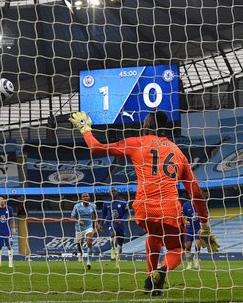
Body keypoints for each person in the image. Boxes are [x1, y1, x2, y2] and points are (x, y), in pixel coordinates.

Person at [69, 110, 219, 296]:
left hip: (144, 208)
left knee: (153, 238)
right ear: (167, 130)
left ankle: (151, 280)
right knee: (175, 248)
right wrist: (204, 224)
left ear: (145, 126)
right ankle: (161, 271)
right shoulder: (179, 153)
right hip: (169, 209)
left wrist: (85, 128)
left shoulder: (137, 143)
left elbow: (96, 148)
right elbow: (195, 192)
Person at [100, 187, 129, 267]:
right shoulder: (106, 203)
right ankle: (112, 249)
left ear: (117, 192)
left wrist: (121, 220)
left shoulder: (122, 202)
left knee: (120, 242)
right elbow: (103, 214)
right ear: (110, 193)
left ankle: (118, 253)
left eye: (114, 191)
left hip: (120, 224)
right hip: (111, 222)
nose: (113, 192)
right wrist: (101, 223)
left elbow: (127, 214)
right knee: (112, 234)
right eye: (111, 191)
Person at [70, 193, 99, 270]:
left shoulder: (93, 206)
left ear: (89, 197)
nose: (85, 198)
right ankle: (81, 252)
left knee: (89, 241)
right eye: (83, 196)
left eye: (87, 196)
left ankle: (88, 262)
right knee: (79, 245)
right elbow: (72, 217)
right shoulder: (77, 206)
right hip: (79, 228)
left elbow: (95, 216)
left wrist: (96, 223)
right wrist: (77, 221)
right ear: (81, 198)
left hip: (88, 227)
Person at [0, 196, 16, 268]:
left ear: (5, 200)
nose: (1, 200)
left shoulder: (9, 208)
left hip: (7, 230)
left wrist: (14, 228)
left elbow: (12, 219)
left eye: (3, 199)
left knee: (9, 246)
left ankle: (10, 263)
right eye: (0, 199)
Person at [182, 200, 202, 270]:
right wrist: (185, 221)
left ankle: (196, 258)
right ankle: (189, 263)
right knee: (188, 246)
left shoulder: (201, 204)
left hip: (198, 228)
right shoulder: (186, 205)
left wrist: (202, 227)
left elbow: (205, 217)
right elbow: (182, 215)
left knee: (198, 244)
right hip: (189, 229)